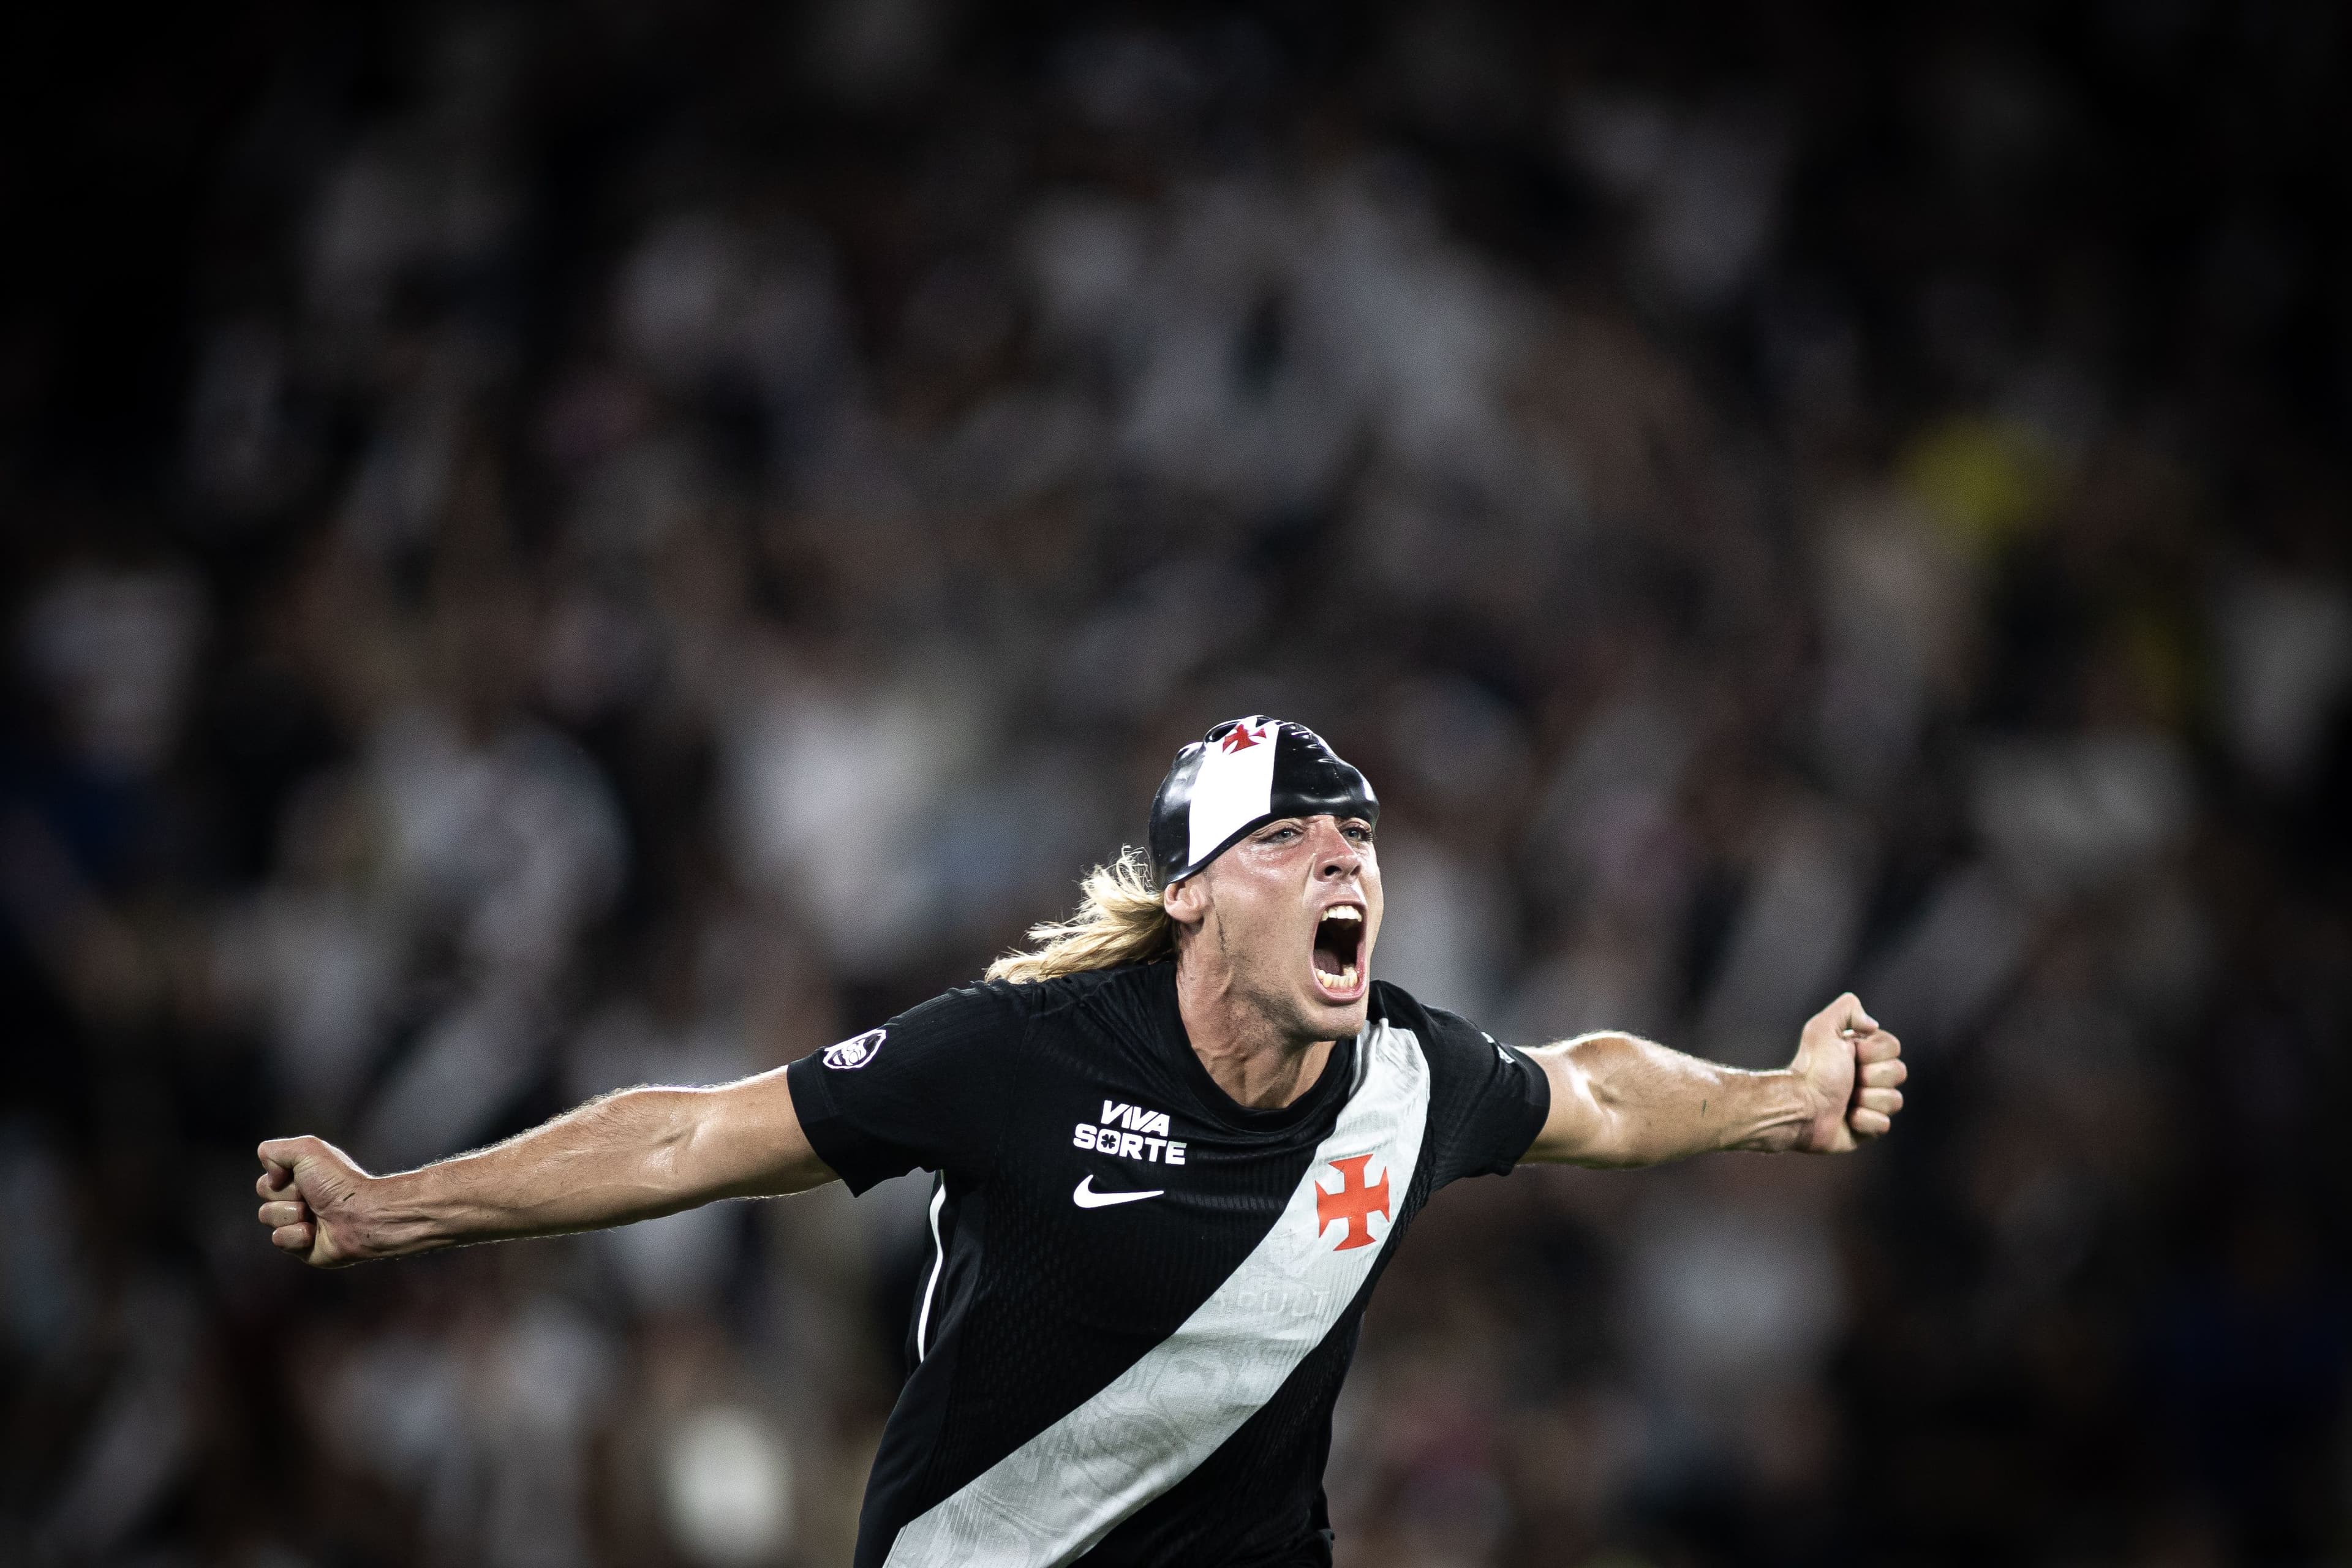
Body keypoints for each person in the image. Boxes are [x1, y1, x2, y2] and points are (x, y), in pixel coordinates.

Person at [255, 716, 1906, 1567]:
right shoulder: (1016, 1053)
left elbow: (1599, 1091)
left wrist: (1775, 1096)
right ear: (1189, 891)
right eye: (1291, 836)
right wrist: (402, 1207)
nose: (1347, 859)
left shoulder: (1411, 1077)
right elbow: (691, 1134)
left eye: (1362, 838)